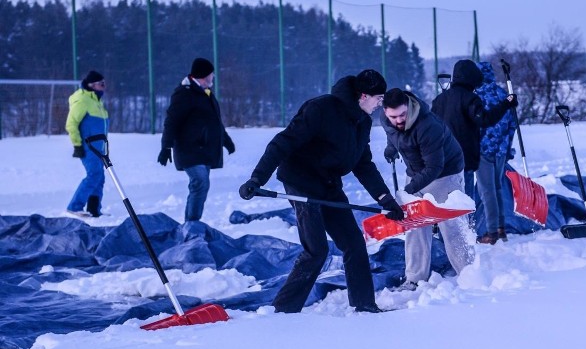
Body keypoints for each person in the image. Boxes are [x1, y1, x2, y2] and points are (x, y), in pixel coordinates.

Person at [238, 70, 404, 314]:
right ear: (363, 95)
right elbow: (282, 142)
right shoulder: (321, 109)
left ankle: (365, 304)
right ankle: (283, 310)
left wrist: (385, 199)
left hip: (328, 184)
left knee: (354, 243)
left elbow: (363, 164)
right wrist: (257, 177)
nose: (381, 104)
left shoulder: (362, 122)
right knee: (316, 250)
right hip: (301, 182)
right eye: (378, 98)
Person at [381, 87, 474, 287]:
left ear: (409, 106)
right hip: (415, 172)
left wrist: (407, 191)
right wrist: (391, 148)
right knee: (414, 224)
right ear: (385, 112)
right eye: (393, 116)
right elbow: (393, 134)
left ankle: (469, 275)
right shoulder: (386, 119)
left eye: (402, 115)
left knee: (451, 226)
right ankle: (414, 277)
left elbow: (434, 167)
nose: (398, 120)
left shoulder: (427, 125)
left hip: (445, 173)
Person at [158, 57, 235, 222]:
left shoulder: (205, 93)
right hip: (189, 150)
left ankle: (192, 222)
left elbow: (214, 122)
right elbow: (172, 121)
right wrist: (166, 147)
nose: (213, 77)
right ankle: (192, 223)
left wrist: (226, 140)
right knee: (200, 182)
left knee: (202, 185)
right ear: (203, 75)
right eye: (211, 74)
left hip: (203, 150)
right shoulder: (184, 94)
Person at [430, 59, 518, 199]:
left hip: (441, 162)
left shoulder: (439, 100)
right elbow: (484, 119)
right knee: (465, 204)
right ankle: (468, 221)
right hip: (463, 161)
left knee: (445, 203)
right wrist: (506, 104)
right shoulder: (470, 98)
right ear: (472, 78)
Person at [474, 61, 518, 244]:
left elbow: (476, 123)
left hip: (483, 150)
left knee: (487, 191)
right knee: (497, 188)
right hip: (501, 150)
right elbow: (512, 124)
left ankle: (491, 232)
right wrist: (507, 147)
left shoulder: (476, 96)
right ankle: (501, 229)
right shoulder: (503, 95)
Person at [65, 70, 109, 217]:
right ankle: (74, 206)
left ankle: (94, 209)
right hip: (88, 146)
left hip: (99, 147)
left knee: (99, 177)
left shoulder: (97, 101)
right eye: (101, 84)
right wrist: (77, 145)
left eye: (104, 83)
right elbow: (71, 124)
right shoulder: (82, 100)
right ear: (91, 85)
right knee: (94, 175)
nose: (104, 87)